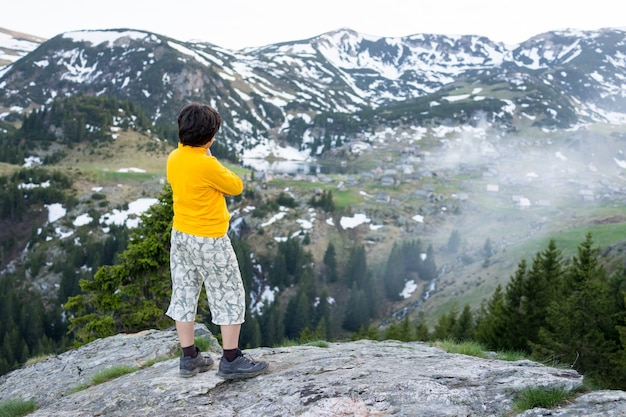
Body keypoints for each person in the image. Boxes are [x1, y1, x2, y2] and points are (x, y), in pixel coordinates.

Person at [166, 102, 268, 379]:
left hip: (181, 235)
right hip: (209, 238)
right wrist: (209, 156)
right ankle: (232, 359)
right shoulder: (206, 163)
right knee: (229, 293)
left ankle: (189, 357)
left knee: (185, 290)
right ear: (210, 137)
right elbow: (235, 186)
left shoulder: (175, 157)